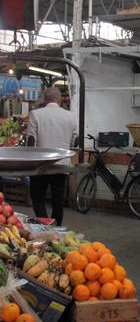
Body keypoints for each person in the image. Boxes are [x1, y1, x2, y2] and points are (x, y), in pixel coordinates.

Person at [27, 87, 77, 226]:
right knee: (58, 199)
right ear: (59, 100)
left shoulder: (35, 114)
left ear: (44, 99)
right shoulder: (71, 116)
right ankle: (57, 227)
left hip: (40, 165)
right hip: (61, 165)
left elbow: (31, 141)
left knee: (37, 198)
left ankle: (44, 225)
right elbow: (74, 142)